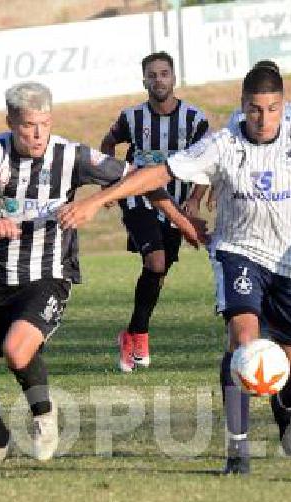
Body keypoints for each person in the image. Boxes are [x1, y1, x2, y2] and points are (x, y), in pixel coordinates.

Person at [58, 62, 291, 475]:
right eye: (254, 109)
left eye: (271, 109)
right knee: (243, 338)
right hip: (238, 251)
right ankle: (238, 448)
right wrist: (94, 200)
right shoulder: (223, 144)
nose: (263, 118)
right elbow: (158, 173)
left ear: (283, 107)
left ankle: (285, 412)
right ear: (243, 106)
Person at [0, 81, 204, 474]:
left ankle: (44, 414)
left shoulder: (71, 156)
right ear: (10, 122)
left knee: (18, 350)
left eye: (44, 124)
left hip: (48, 276)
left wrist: (180, 222)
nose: (37, 134)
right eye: (27, 126)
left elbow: (149, 177)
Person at [100, 51, 211, 373]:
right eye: (152, 74)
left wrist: (194, 200)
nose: (158, 79)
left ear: (174, 78)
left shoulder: (194, 118)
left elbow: (209, 160)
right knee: (156, 260)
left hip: (174, 205)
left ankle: (133, 333)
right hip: (138, 200)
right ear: (144, 80)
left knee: (159, 272)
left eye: (164, 73)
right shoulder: (131, 117)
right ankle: (141, 335)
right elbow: (107, 145)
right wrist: (111, 181)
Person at [184, 60, 291, 215]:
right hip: (249, 184)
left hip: (281, 183)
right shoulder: (239, 115)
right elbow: (226, 153)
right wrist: (214, 189)